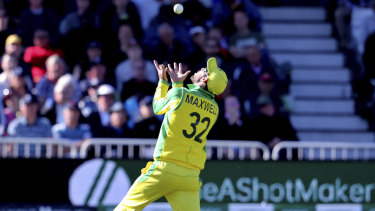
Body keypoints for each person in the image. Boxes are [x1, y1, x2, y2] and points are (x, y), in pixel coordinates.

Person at [114, 57, 228, 211]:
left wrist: (164, 82)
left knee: (127, 208)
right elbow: (189, 106)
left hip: (165, 168)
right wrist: (177, 85)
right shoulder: (215, 108)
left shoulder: (180, 94)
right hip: (191, 176)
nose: (200, 69)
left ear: (205, 79)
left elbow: (157, 107)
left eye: (204, 70)